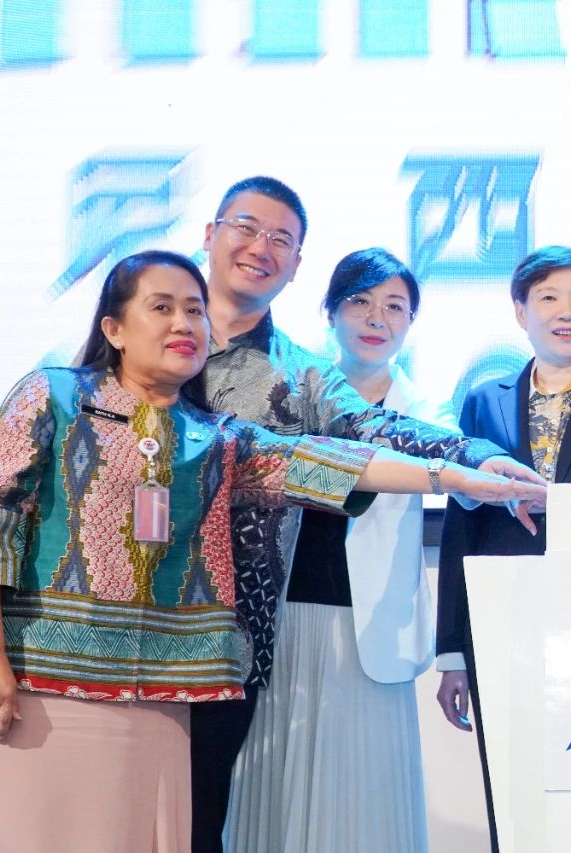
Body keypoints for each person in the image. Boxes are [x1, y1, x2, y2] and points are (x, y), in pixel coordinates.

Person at [0, 251, 542, 853]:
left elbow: (329, 462)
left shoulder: (216, 438)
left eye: (194, 310)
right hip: (43, 685)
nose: (183, 323)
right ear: (114, 328)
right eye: (162, 307)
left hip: (168, 700)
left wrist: (455, 475)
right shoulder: (53, 396)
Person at [186, 176, 543, 853]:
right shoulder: (154, 336)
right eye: (247, 228)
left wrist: (475, 459)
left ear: (297, 264)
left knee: (208, 818)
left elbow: (374, 434)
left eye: (281, 239)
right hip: (127, 622)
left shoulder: (301, 378)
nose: (261, 247)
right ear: (210, 233)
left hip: (230, 641)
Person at [435, 246, 571, 852]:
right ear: (521, 312)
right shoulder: (482, 400)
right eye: (550, 298)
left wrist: (562, 504)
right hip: (501, 622)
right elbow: (461, 527)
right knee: (511, 793)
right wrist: (452, 651)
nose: (568, 311)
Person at [225, 249, 450, 851]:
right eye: (360, 301)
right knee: (270, 785)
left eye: (395, 307)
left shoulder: (427, 413)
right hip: (280, 615)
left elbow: (450, 469)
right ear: (329, 311)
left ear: (411, 321)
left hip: (368, 625)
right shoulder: (290, 392)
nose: (377, 318)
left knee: (364, 792)